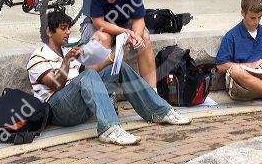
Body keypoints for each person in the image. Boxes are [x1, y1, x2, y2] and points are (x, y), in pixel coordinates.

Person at [27, 11, 191, 146]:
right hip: (58, 110)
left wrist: (115, 56)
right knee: (88, 76)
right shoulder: (38, 56)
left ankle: (158, 111)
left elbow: (93, 69)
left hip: (79, 105)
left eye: (69, 28)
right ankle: (109, 129)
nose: (68, 32)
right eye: (63, 28)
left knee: (119, 68)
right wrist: (66, 62)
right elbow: (55, 85)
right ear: (49, 31)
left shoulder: (68, 51)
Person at [80, 0, 157, 90]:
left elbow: (139, 20)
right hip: (96, 25)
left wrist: (135, 37)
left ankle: (153, 92)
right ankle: (103, 91)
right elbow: (99, 23)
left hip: (124, 22)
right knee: (104, 38)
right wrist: (126, 32)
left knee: (145, 38)